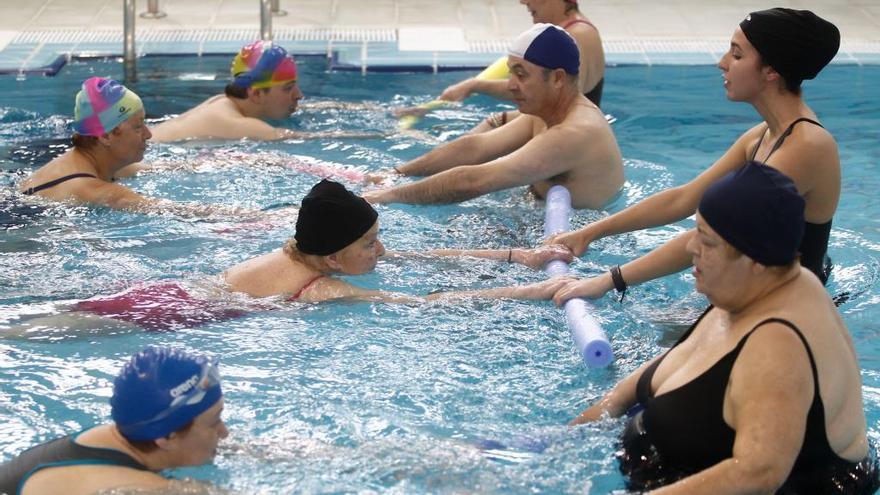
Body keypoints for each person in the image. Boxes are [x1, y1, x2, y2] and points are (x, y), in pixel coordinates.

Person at [570, 162, 878, 493]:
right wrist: (578, 429)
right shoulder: (752, 288)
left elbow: (757, 474)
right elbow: (667, 370)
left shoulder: (778, 346)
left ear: (754, 260)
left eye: (707, 241)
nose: (690, 249)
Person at [4, 180, 571, 334]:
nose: (382, 251)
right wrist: (534, 291)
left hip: (181, 289)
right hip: (168, 309)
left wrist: (514, 253)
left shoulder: (320, 254)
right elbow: (430, 301)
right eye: (370, 245)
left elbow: (421, 258)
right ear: (330, 261)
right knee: (40, 331)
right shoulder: (322, 286)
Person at [551, 8, 841, 303]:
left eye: (737, 55)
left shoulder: (807, 147)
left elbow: (715, 234)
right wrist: (588, 233)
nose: (722, 63)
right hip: (753, 291)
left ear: (771, 70)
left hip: (787, 306)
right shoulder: (762, 136)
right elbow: (684, 198)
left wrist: (607, 281)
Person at [365, 24, 623, 210]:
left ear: (556, 78)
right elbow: (476, 147)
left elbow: (474, 181)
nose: (510, 85)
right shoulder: (547, 113)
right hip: (541, 218)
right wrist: (397, 172)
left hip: (580, 250)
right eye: (511, 73)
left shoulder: (575, 132)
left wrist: (387, 197)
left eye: (521, 75)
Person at [17, 77, 256, 219]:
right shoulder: (92, 189)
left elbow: (166, 167)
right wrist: (263, 218)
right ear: (106, 136)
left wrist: (241, 161)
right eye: (138, 126)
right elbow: (172, 210)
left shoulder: (91, 163)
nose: (149, 134)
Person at [0, 346, 229, 495]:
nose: (224, 432)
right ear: (165, 438)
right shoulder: (138, 489)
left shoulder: (124, 433)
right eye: (214, 422)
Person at [409, 0, 604, 135]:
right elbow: (533, 88)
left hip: (564, 156)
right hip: (556, 142)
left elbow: (559, 105)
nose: (522, 1)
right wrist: (472, 87)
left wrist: (495, 119)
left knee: (466, 145)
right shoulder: (563, 33)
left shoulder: (577, 36)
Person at [150, 41, 380, 142]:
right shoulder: (240, 125)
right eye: (288, 88)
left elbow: (307, 108)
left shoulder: (225, 102)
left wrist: (377, 110)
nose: (299, 95)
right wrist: (390, 135)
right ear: (256, 94)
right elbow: (310, 139)